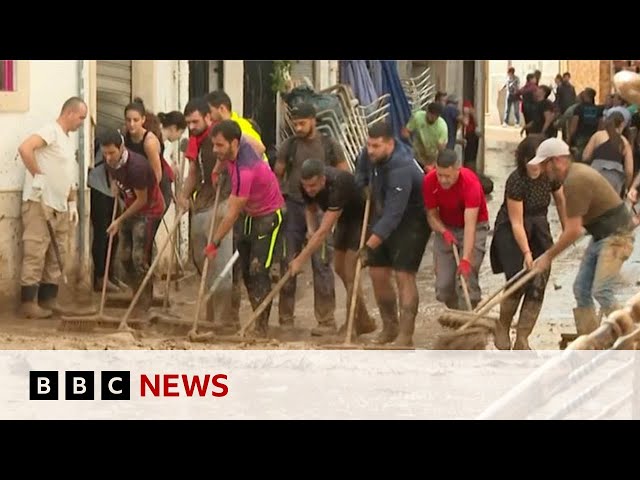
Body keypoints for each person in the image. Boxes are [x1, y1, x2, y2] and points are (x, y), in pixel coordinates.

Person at [530, 138, 635, 335]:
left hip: (617, 237)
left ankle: (631, 336)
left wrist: (547, 257)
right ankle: (590, 339)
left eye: (545, 165)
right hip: (601, 235)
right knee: (581, 289)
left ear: (558, 161)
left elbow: (573, 230)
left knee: (602, 291)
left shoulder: (575, 180)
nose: (543, 171)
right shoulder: (573, 175)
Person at [204, 120, 285, 338]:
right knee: (247, 273)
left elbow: (231, 214)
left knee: (259, 271)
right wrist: (216, 170)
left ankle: (261, 328)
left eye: (220, 146)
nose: (215, 150)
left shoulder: (245, 170)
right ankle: (257, 319)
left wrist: (214, 243)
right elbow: (257, 146)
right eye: (214, 145)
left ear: (234, 143)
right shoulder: (242, 144)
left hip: (268, 215)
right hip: (250, 213)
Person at [274, 102, 349, 335]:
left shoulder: (329, 145)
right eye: (295, 123)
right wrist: (279, 205)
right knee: (289, 260)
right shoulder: (289, 146)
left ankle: (326, 320)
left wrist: (336, 207)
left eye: (302, 123)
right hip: (294, 207)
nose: (298, 127)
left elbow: (344, 174)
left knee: (322, 263)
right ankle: (285, 319)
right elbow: (277, 175)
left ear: (313, 120)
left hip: (321, 209)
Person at [489, 135, 567, 349]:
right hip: (512, 228)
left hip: (539, 225)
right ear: (522, 161)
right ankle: (503, 325)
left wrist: (567, 229)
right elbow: (516, 223)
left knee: (539, 281)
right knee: (518, 278)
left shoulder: (551, 176)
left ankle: (523, 337)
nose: (534, 167)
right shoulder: (516, 180)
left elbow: (560, 201)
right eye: (529, 162)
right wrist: (526, 253)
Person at [355, 122, 429, 347]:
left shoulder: (402, 166)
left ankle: (405, 335)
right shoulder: (369, 155)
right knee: (377, 274)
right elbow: (360, 173)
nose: (371, 150)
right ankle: (390, 327)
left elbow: (394, 215)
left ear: (390, 143)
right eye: (369, 145)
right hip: (382, 213)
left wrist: (368, 247)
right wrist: (364, 185)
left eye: (376, 146)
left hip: (412, 221)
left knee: (403, 275)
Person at [288, 158, 376, 339]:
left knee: (351, 270)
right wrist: (310, 229)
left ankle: (353, 323)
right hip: (344, 218)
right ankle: (364, 319)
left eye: (313, 185)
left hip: (362, 217)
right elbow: (311, 210)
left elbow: (324, 231)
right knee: (340, 268)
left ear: (322, 179)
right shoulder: (304, 185)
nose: (310, 190)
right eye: (306, 186)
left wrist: (299, 260)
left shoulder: (339, 183)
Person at [17, 96, 87, 318]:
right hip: (40, 202)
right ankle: (28, 303)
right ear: (69, 113)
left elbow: (68, 174)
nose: (82, 123)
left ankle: (48, 299)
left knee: (58, 254)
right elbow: (25, 148)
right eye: (81, 117)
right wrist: (37, 174)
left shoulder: (67, 140)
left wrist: (72, 202)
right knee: (35, 252)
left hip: (60, 205)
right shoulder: (51, 131)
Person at [176, 97, 235, 329]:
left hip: (223, 203)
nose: (191, 126)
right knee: (202, 262)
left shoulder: (222, 137)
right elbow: (193, 172)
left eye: (195, 121)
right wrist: (183, 196)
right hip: (202, 204)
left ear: (208, 118)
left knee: (220, 264)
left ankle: (222, 320)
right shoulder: (196, 141)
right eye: (188, 123)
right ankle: (210, 317)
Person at [102, 128, 166, 315]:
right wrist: (115, 186)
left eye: (112, 153)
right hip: (130, 207)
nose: (108, 157)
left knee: (139, 257)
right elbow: (115, 177)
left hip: (148, 210)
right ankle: (136, 292)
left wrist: (119, 220)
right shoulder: (111, 162)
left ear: (121, 148)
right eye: (104, 153)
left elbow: (142, 200)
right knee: (123, 257)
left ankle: (144, 301)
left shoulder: (137, 166)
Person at [423, 149, 490, 310]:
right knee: (443, 286)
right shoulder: (429, 181)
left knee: (466, 277)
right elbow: (431, 215)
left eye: (447, 176)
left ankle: (468, 309)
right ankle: (456, 314)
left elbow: (470, 226)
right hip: (446, 226)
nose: (443, 180)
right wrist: (444, 231)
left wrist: (466, 259)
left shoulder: (470, 183)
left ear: (457, 170)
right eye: (440, 175)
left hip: (474, 226)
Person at [123, 98, 174, 214]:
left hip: (156, 188)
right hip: (135, 189)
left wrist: (148, 196)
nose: (131, 124)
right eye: (128, 120)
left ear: (143, 120)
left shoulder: (149, 142)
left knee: (144, 229)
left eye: (135, 120)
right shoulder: (125, 136)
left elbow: (157, 174)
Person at [582, 111, 634, 197]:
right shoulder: (624, 142)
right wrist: (626, 187)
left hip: (596, 174)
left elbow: (585, 156)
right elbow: (629, 171)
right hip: (615, 179)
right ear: (622, 125)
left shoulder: (598, 136)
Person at [402, 102, 448, 170]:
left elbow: (441, 151)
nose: (433, 118)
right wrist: (407, 139)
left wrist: (433, 165)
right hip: (417, 154)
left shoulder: (442, 127)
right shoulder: (418, 117)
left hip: (432, 157)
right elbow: (407, 130)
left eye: (436, 116)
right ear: (427, 111)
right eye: (431, 114)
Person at [567, 88, 604, 162]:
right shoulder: (598, 109)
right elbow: (601, 126)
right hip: (593, 137)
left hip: (580, 137)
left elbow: (574, 124)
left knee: (580, 159)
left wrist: (569, 138)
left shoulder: (579, 108)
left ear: (585, 95)